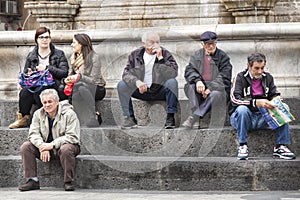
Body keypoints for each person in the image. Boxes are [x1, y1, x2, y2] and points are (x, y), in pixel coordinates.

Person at [229, 53, 296, 160]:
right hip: (243, 118)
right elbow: (234, 99)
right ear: (248, 66)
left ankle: (280, 146)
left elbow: (274, 94)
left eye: (262, 68)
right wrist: (256, 102)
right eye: (256, 68)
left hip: (263, 117)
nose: (260, 71)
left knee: (285, 107)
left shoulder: (268, 77)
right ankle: (242, 145)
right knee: (242, 109)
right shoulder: (239, 77)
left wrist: (277, 100)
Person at [18, 89, 81, 191]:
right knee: (26, 146)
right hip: (46, 147)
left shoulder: (69, 114)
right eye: (44, 102)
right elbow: (33, 134)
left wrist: (51, 145)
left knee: (66, 149)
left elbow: (72, 136)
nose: (47, 105)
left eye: (50, 102)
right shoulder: (38, 114)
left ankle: (68, 181)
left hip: (66, 147)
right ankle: (32, 180)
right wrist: (42, 146)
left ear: (57, 101)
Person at [9, 26, 69, 129]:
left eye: (47, 37)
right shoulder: (32, 55)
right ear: (36, 40)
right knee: (25, 92)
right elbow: (25, 73)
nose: (44, 40)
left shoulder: (59, 54)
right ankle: (23, 118)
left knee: (40, 90)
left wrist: (47, 68)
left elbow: (64, 72)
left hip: (53, 84)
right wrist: (29, 74)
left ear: (50, 39)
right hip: (36, 84)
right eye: (41, 37)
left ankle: (45, 119)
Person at [117, 31, 179, 129]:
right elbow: (126, 74)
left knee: (172, 82)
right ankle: (129, 118)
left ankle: (170, 117)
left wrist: (161, 59)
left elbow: (173, 73)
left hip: (159, 90)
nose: (155, 45)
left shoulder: (165, 54)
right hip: (141, 91)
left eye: (157, 42)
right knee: (122, 85)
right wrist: (137, 82)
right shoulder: (135, 55)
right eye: (152, 42)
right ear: (143, 44)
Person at [182, 31, 232, 129]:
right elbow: (189, 70)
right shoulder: (196, 56)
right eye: (208, 44)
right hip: (202, 86)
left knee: (215, 94)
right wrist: (197, 81)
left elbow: (225, 77)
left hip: (218, 89)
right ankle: (195, 116)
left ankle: (194, 117)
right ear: (202, 44)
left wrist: (211, 88)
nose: (211, 46)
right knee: (191, 87)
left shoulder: (223, 57)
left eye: (213, 43)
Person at [63, 33, 106, 127]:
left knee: (81, 87)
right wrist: (68, 79)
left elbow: (95, 80)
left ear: (81, 44)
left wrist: (79, 77)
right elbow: (70, 74)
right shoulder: (73, 57)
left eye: (74, 42)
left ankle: (93, 115)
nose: (71, 45)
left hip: (97, 88)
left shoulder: (95, 57)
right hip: (79, 87)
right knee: (66, 88)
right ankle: (69, 116)